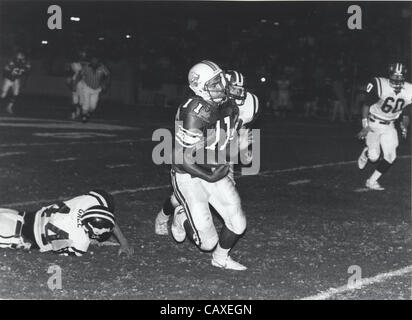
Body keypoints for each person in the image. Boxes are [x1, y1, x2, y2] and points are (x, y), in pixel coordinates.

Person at [158, 62, 257, 270]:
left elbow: (230, 146)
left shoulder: (230, 102)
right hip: (190, 173)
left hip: (214, 164)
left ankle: (220, 258)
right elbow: (181, 157)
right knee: (207, 243)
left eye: (221, 79)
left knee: (238, 223)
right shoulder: (195, 112)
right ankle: (180, 215)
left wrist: (236, 148)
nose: (222, 85)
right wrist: (213, 172)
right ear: (201, 87)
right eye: (216, 83)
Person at [0, 190, 133, 257]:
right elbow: (56, 247)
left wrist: (124, 241)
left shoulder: (89, 201)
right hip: (19, 234)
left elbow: (106, 217)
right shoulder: (81, 242)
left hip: (23, 216)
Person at [357, 62, 412, 190]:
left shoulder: (409, 90)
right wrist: (365, 126)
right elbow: (366, 105)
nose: (398, 79)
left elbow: (406, 114)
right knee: (374, 157)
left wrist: (405, 127)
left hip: (389, 125)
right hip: (373, 123)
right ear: (390, 75)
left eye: (400, 76)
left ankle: (371, 181)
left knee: (391, 156)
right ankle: (366, 153)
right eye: (395, 76)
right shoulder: (380, 84)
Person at [78, 56, 111, 123]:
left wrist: (106, 84)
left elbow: (108, 75)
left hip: (96, 89)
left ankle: (87, 113)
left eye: (96, 61)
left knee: (93, 106)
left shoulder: (102, 67)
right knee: (86, 103)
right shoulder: (86, 67)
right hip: (87, 87)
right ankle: (84, 116)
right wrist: (77, 83)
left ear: (98, 61)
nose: (94, 62)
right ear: (91, 61)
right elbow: (80, 74)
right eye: (93, 61)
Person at [66, 50, 88, 120]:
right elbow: (78, 74)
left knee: (78, 101)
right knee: (76, 101)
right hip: (79, 83)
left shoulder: (81, 64)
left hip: (81, 83)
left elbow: (79, 74)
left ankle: (76, 114)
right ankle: (76, 114)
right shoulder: (75, 64)